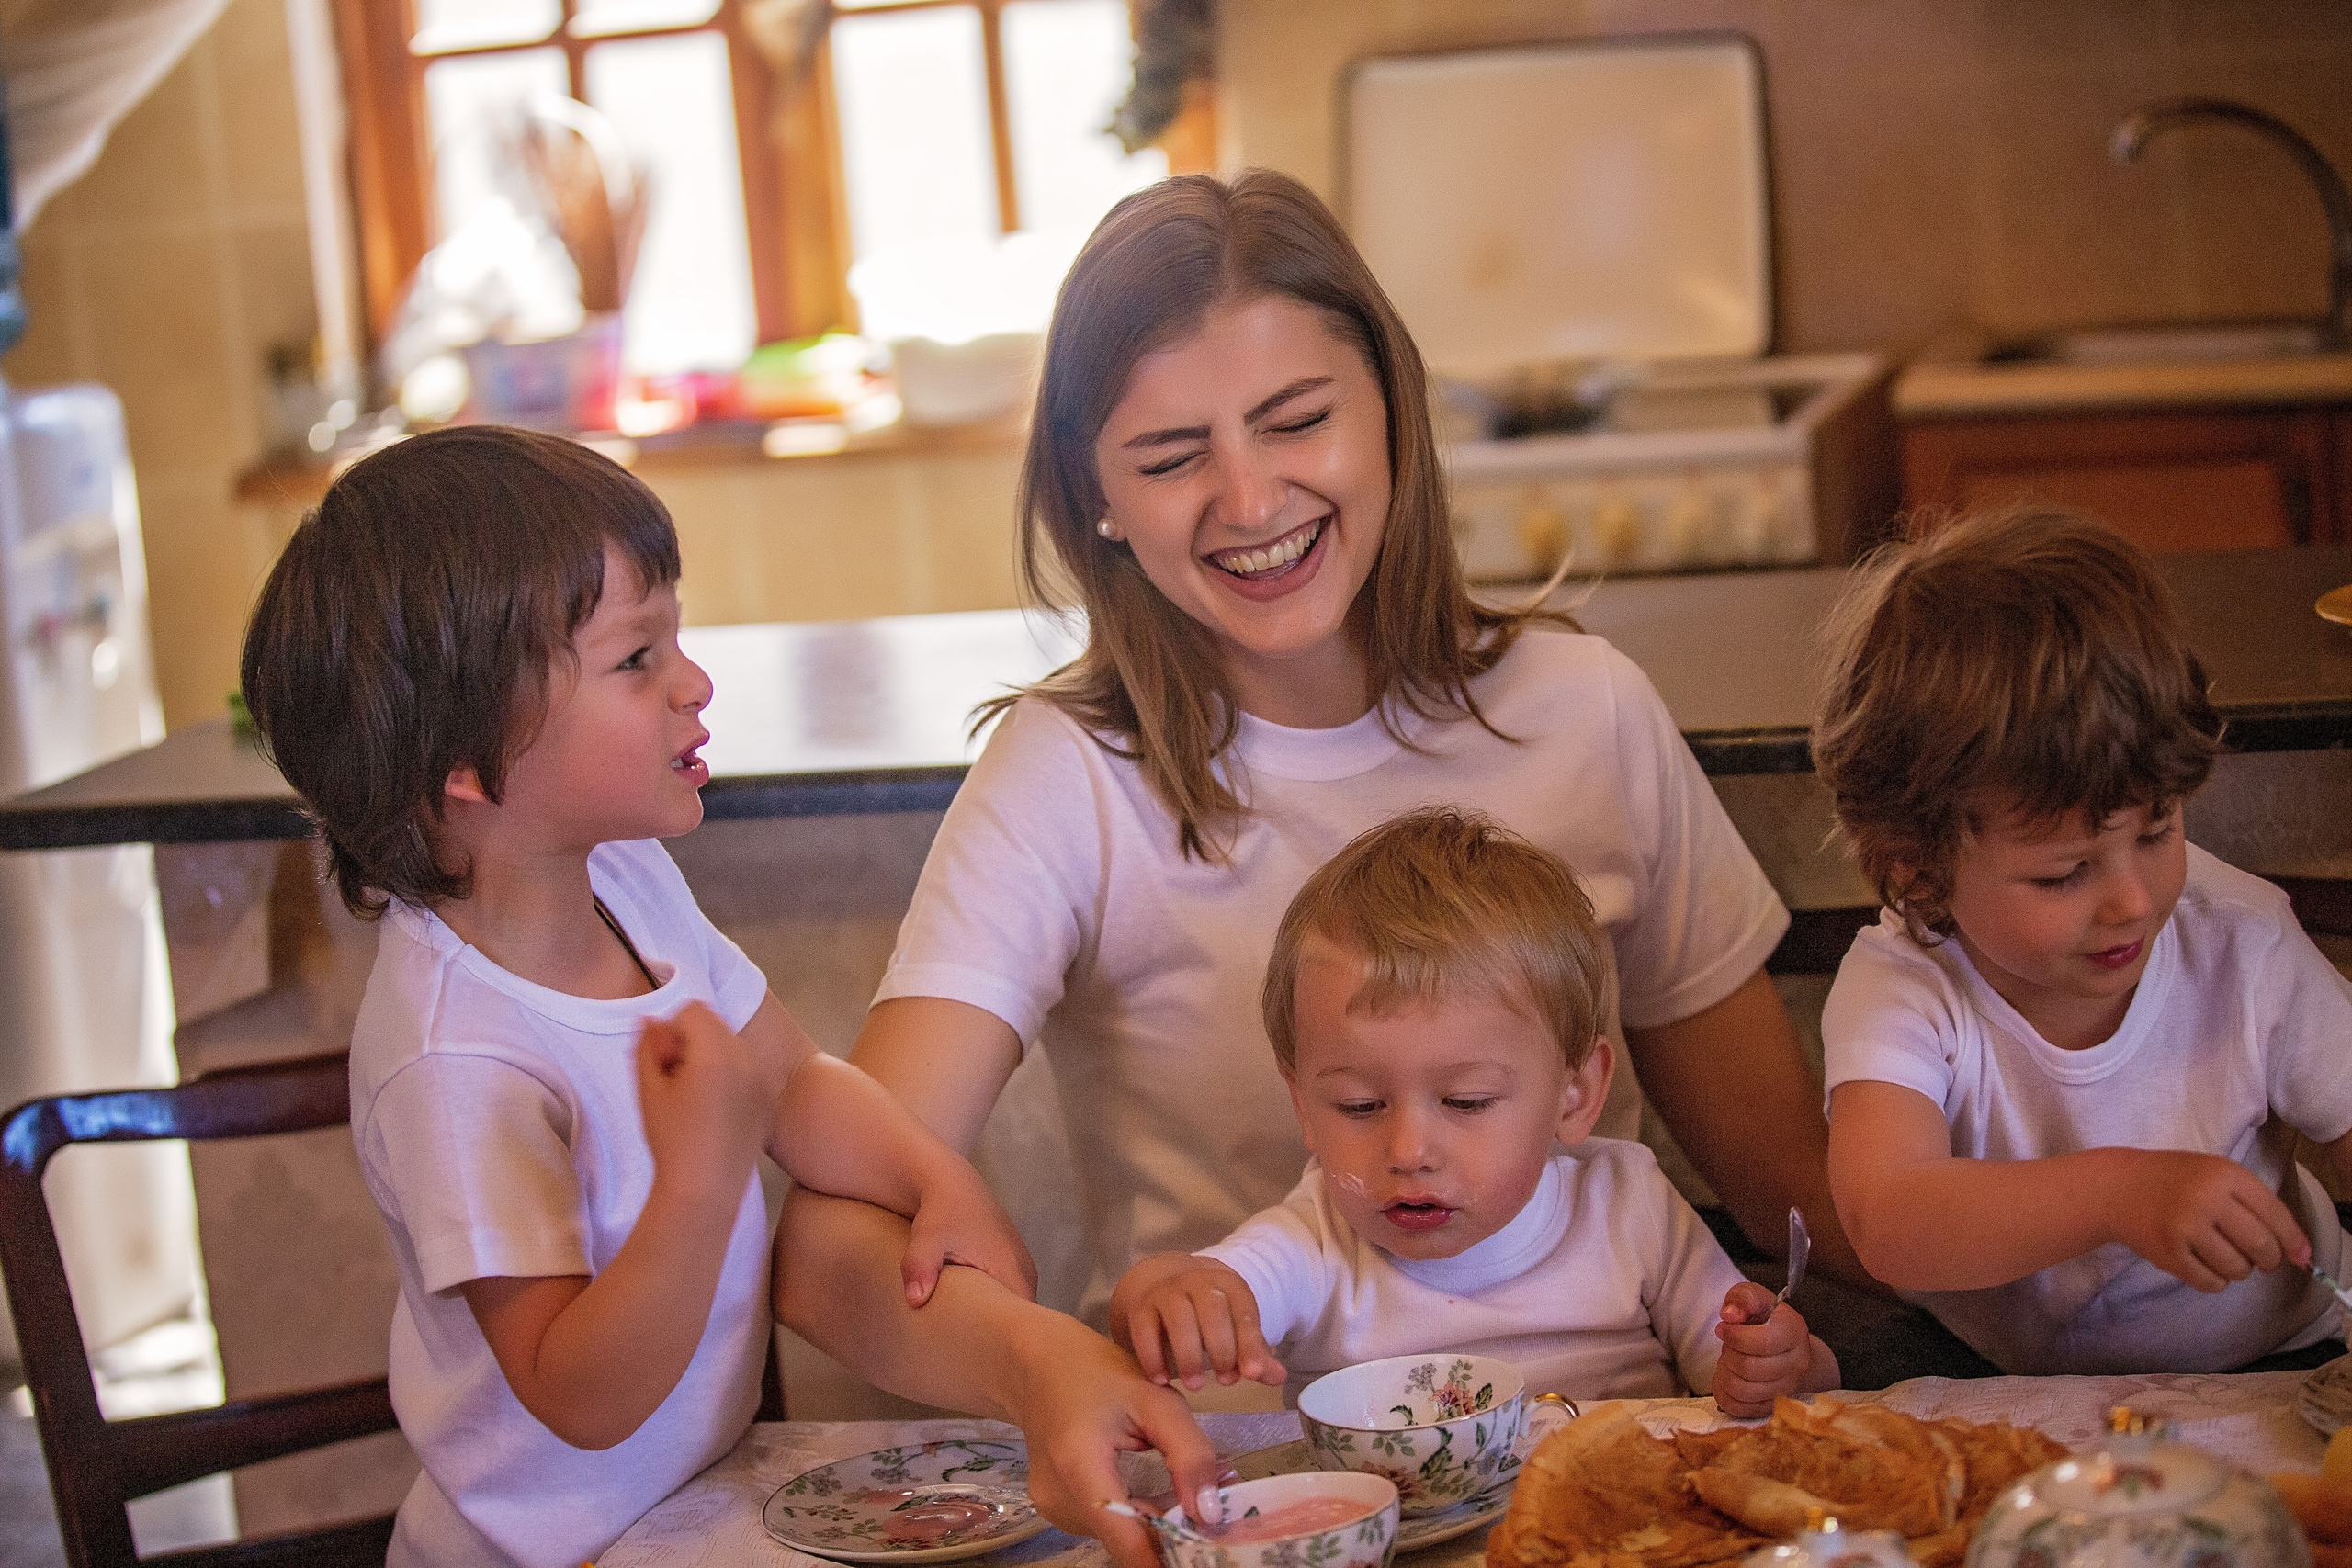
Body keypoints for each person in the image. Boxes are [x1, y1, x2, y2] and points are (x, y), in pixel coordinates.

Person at [775, 169, 1853, 1568]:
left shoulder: (1583, 713)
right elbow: (829, 1247)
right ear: (1091, 497)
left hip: (1595, 1505)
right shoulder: (1069, 775)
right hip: (1253, 1499)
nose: (1249, 496)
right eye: (1169, 457)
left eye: (1297, 421)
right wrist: (1036, 1361)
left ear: (1393, 412)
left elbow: (1800, 1199)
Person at [238, 426, 1031, 1568]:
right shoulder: (455, 1056)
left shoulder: (624, 880)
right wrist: (702, 1182)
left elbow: (792, 1079)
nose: (693, 684)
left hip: (690, 1504)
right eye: (636, 659)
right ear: (467, 762)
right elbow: (580, 1393)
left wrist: (932, 1178)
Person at [1814, 506, 2352, 1376]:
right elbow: (1889, 1217)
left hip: (2273, 1363)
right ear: (1917, 869)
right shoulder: (1904, 985)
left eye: (2159, 828)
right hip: (2000, 1374)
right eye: (2065, 874)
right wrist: (2120, 1191)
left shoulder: (2241, 941)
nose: (2134, 900)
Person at [1110, 808, 1837, 1417]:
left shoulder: (1628, 1202)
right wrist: (1166, 1296)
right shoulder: (1315, 1241)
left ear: (1574, 1096)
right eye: (1359, 1105)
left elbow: (1739, 1372)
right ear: (1303, 1102)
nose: (1410, 1148)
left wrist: (1774, 1358)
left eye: (1467, 1101)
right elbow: (1199, 1289)